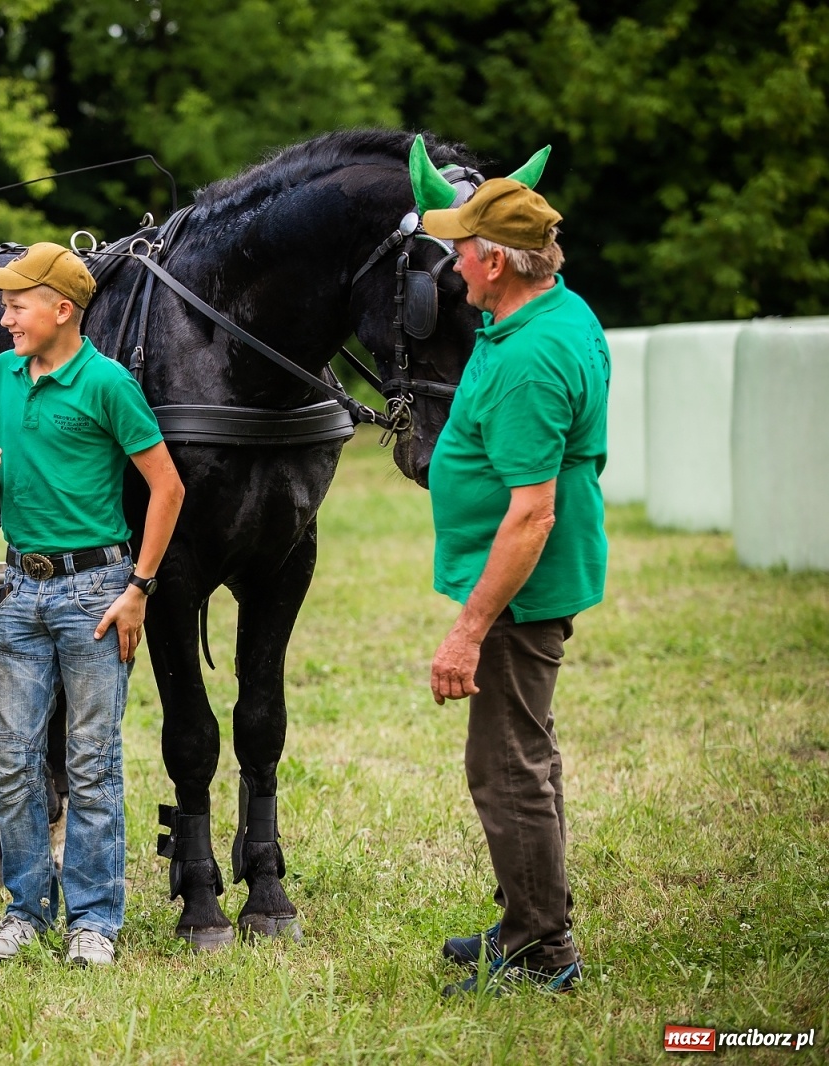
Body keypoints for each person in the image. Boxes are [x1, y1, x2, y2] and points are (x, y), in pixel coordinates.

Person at [0, 243, 185, 968]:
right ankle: (24, 910)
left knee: (91, 760)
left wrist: (139, 589)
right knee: (13, 759)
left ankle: (94, 920)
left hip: (95, 591)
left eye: (16, 306)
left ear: (62, 311)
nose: (4, 320)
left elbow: (168, 488)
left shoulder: (107, 384)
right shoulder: (3, 374)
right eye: (3, 306)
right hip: (18, 587)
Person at [421, 177, 609, 995]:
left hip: (519, 592)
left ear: (495, 260)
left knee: (506, 766)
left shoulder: (533, 355)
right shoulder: (541, 313)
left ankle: (543, 949)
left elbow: (531, 514)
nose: (451, 259)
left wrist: (468, 629)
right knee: (522, 753)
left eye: (461, 246)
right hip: (524, 580)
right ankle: (531, 916)